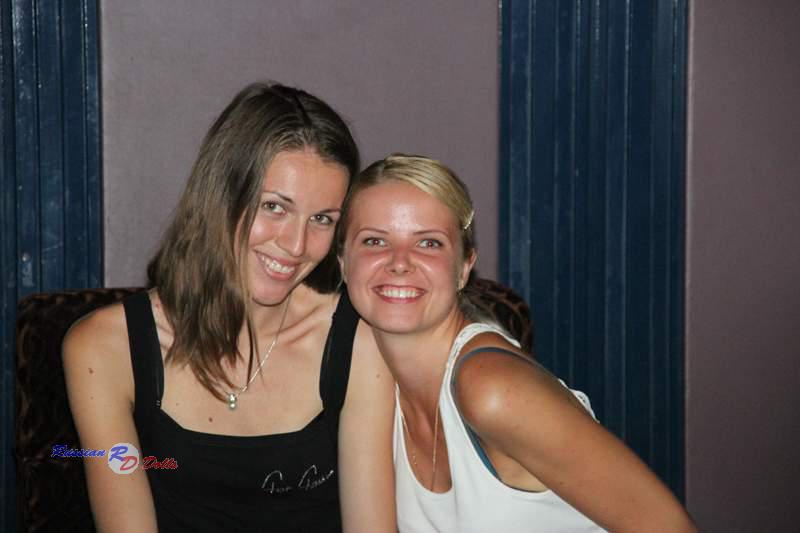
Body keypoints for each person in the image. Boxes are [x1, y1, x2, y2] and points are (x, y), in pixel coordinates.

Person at [63, 83, 395, 532]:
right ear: (221, 194)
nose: (297, 245)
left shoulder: (360, 342)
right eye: (274, 207)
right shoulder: (103, 349)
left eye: (322, 219)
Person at [338, 154, 698, 532]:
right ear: (343, 261)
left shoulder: (491, 389)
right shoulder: (371, 371)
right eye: (375, 241)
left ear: (464, 267)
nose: (399, 262)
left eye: (429, 243)